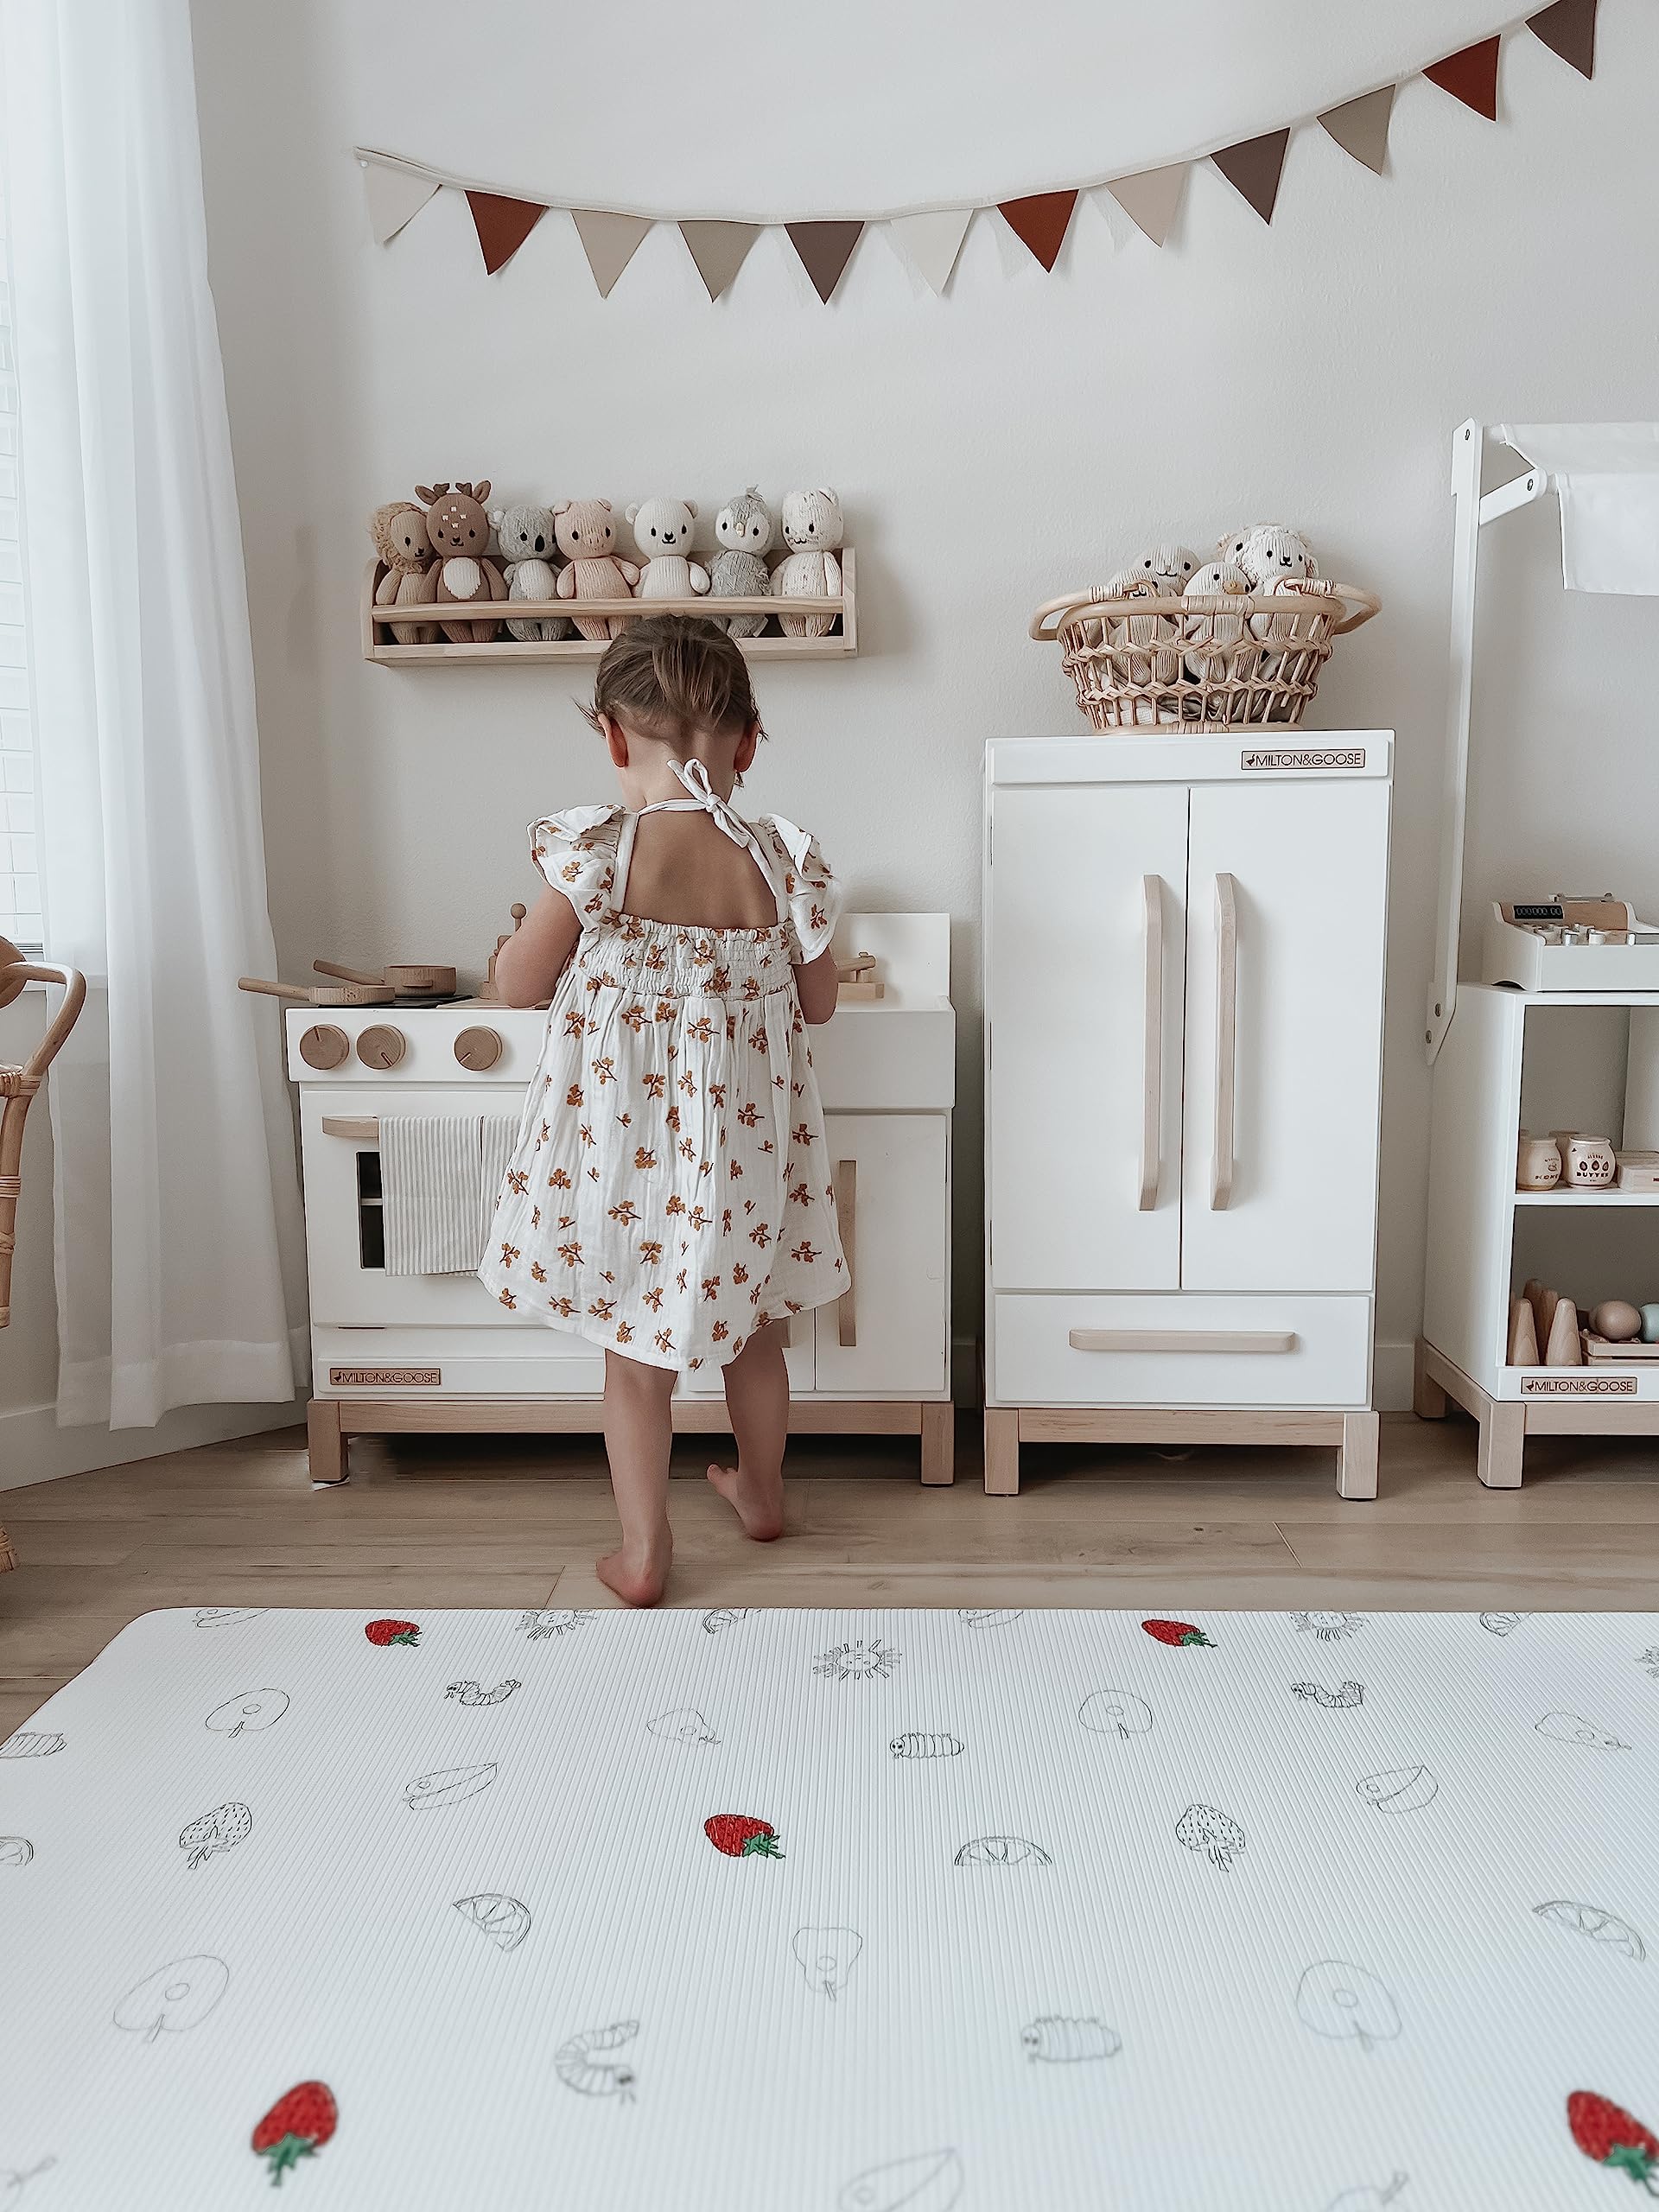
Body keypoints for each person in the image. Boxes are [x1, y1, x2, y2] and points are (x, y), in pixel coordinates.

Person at [480, 614, 845, 1605]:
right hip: (748, 1152)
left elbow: (519, 986)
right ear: (749, 741)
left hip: (627, 1154)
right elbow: (818, 1004)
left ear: (611, 737)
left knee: (637, 1358)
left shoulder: (599, 850)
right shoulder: (782, 860)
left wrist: (508, 948)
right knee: (757, 1328)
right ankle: (761, 1495)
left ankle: (644, 1552)